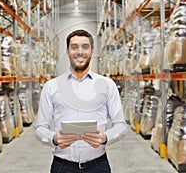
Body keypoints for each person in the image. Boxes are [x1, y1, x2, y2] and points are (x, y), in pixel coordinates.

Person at [34, 29, 128, 173]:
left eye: (85, 47)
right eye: (74, 47)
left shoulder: (107, 85)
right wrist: (53, 138)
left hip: (98, 166)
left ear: (92, 51)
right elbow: (40, 127)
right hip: (62, 166)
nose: (80, 52)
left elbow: (121, 125)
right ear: (67, 51)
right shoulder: (51, 86)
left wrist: (105, 137)